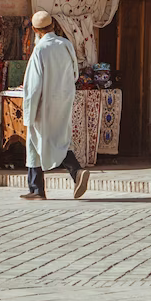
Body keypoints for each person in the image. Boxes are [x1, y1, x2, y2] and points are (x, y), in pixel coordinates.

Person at [22, 10, 90, 200]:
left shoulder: (40, 50)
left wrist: (30, 110)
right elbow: (75, 73)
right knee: (56, 138)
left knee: (39, 139)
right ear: (52, 25)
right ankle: (36, 188)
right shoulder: (65, 44)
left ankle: (75, 171)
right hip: (64, 99)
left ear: (35, 30)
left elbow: (34, 85)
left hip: (44, 103)